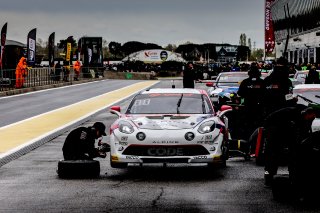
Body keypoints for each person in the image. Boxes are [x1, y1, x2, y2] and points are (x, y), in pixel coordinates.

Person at [263, 105, 316, 187]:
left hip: (288, 130)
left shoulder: (308, 117)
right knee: (272, 156)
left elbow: (304, 131)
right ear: (306, 113)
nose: (310, 119)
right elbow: (290, 131)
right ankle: (268, 177)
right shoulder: (289, 113)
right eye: (309, 117)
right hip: (274, 128)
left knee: (294, 154)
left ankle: (293, 177)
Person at [237, 65, 265, 139]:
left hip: (248, 107)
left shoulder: (245, 82)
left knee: (248, 124)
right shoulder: (262, 82)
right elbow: (266, 93)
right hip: (259, 108)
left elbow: (240, 93)